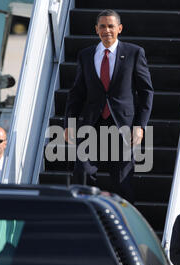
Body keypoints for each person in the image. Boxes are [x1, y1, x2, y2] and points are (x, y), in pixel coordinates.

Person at [64, 9, 153, 203]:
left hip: (122, 127)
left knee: (122, 182)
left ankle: (124, 225)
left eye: (111, 26)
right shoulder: (86, 55)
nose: (107, 30)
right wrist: (68, 124)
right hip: (91, 125)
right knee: (83, 173)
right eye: (102, 26)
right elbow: (77, 93)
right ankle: (86, 221)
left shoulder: (134, 53)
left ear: (119, 28)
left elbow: (146, 92)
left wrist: (140, 126)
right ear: (96, 29)